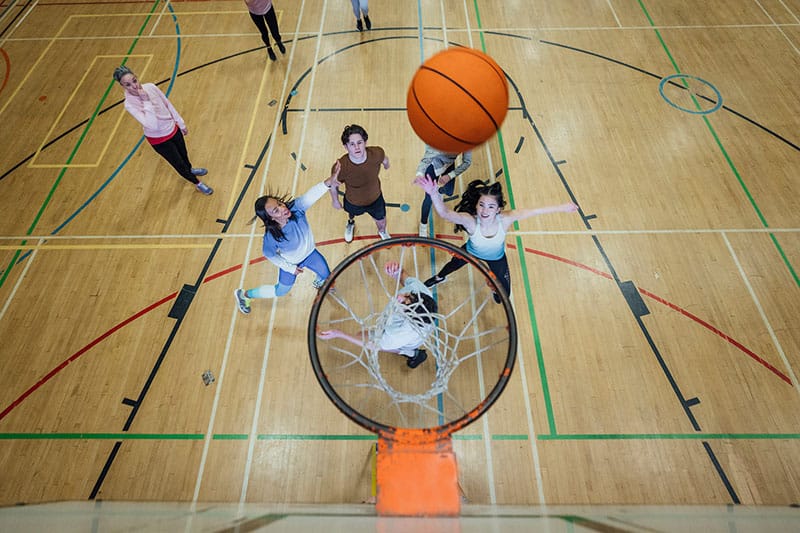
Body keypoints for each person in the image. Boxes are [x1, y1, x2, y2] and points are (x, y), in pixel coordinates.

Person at [415, 175, 578, 302]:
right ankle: (439, 277)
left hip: (496, 258)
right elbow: (445, 213)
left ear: (498, 209)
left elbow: (534, 211)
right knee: (451, 266)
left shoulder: (506, 219)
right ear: (477, 205)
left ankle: (496, 294)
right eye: (481, 205)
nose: (485, 210)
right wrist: (433, 193)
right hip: (471, 252)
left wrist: (563, 207)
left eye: (491, 206)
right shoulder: (471, 221)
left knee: (504, 293)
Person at [233, 164, 340, 314]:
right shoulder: (271, 236)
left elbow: (310, 196)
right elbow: (269, 254)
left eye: (279, 204)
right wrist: (289, 268)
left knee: (328, 278)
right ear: (270, 218)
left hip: (310, 254)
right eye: (276, 210)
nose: (283, 208)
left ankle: (319, 280)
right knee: (281, 291)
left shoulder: (297, 208)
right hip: (291, 263)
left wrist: (328, 182)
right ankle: (244, 295)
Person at [113, 65, 213, 195]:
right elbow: (152, 125)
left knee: (184, 154)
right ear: (123, 86)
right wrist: (146, 101)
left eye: (134, 80)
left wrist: (180, 123)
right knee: (178, 164)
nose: (134, 86)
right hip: (159, 140)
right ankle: (197, 183)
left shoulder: (150, 87)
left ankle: (190, 170)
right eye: (128, 85)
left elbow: (167, 104)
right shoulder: (129, 104)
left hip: (172, 128)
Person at [317, 261, 436, 368]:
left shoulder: (399, 334)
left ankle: (415, 354)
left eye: (404, 302)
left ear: (408, 317)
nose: (400, 296)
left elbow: (375, 345)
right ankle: (412, 352)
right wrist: (397, 271)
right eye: (408, 295)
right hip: (412, 331)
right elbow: (405, 277)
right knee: (363, 334)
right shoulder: (420, 292)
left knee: (381, 342)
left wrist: (339, 334)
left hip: (409, 340)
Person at [329, 124, 391, 242]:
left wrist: (387, 165)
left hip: (376, 199)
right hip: (353, 202)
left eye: (360, 142)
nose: (357, 147)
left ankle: (382, 231)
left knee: (381, 220)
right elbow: (333, 185)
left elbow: (385, 159)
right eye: (352, 144)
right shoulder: (340, 167)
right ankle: (351, 223)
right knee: (351, 214)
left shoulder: (376, 153)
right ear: (346, 147)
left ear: (365, 142)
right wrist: (335, 200)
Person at [416, 145, 472, 237]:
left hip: (448, 164)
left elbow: (467, 162)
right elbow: (426, 158)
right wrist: (420, 174)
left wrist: (450, 175)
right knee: (428, 198)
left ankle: (438, 191)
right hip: (433, 163)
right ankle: (423, 223)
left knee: (449, 192)